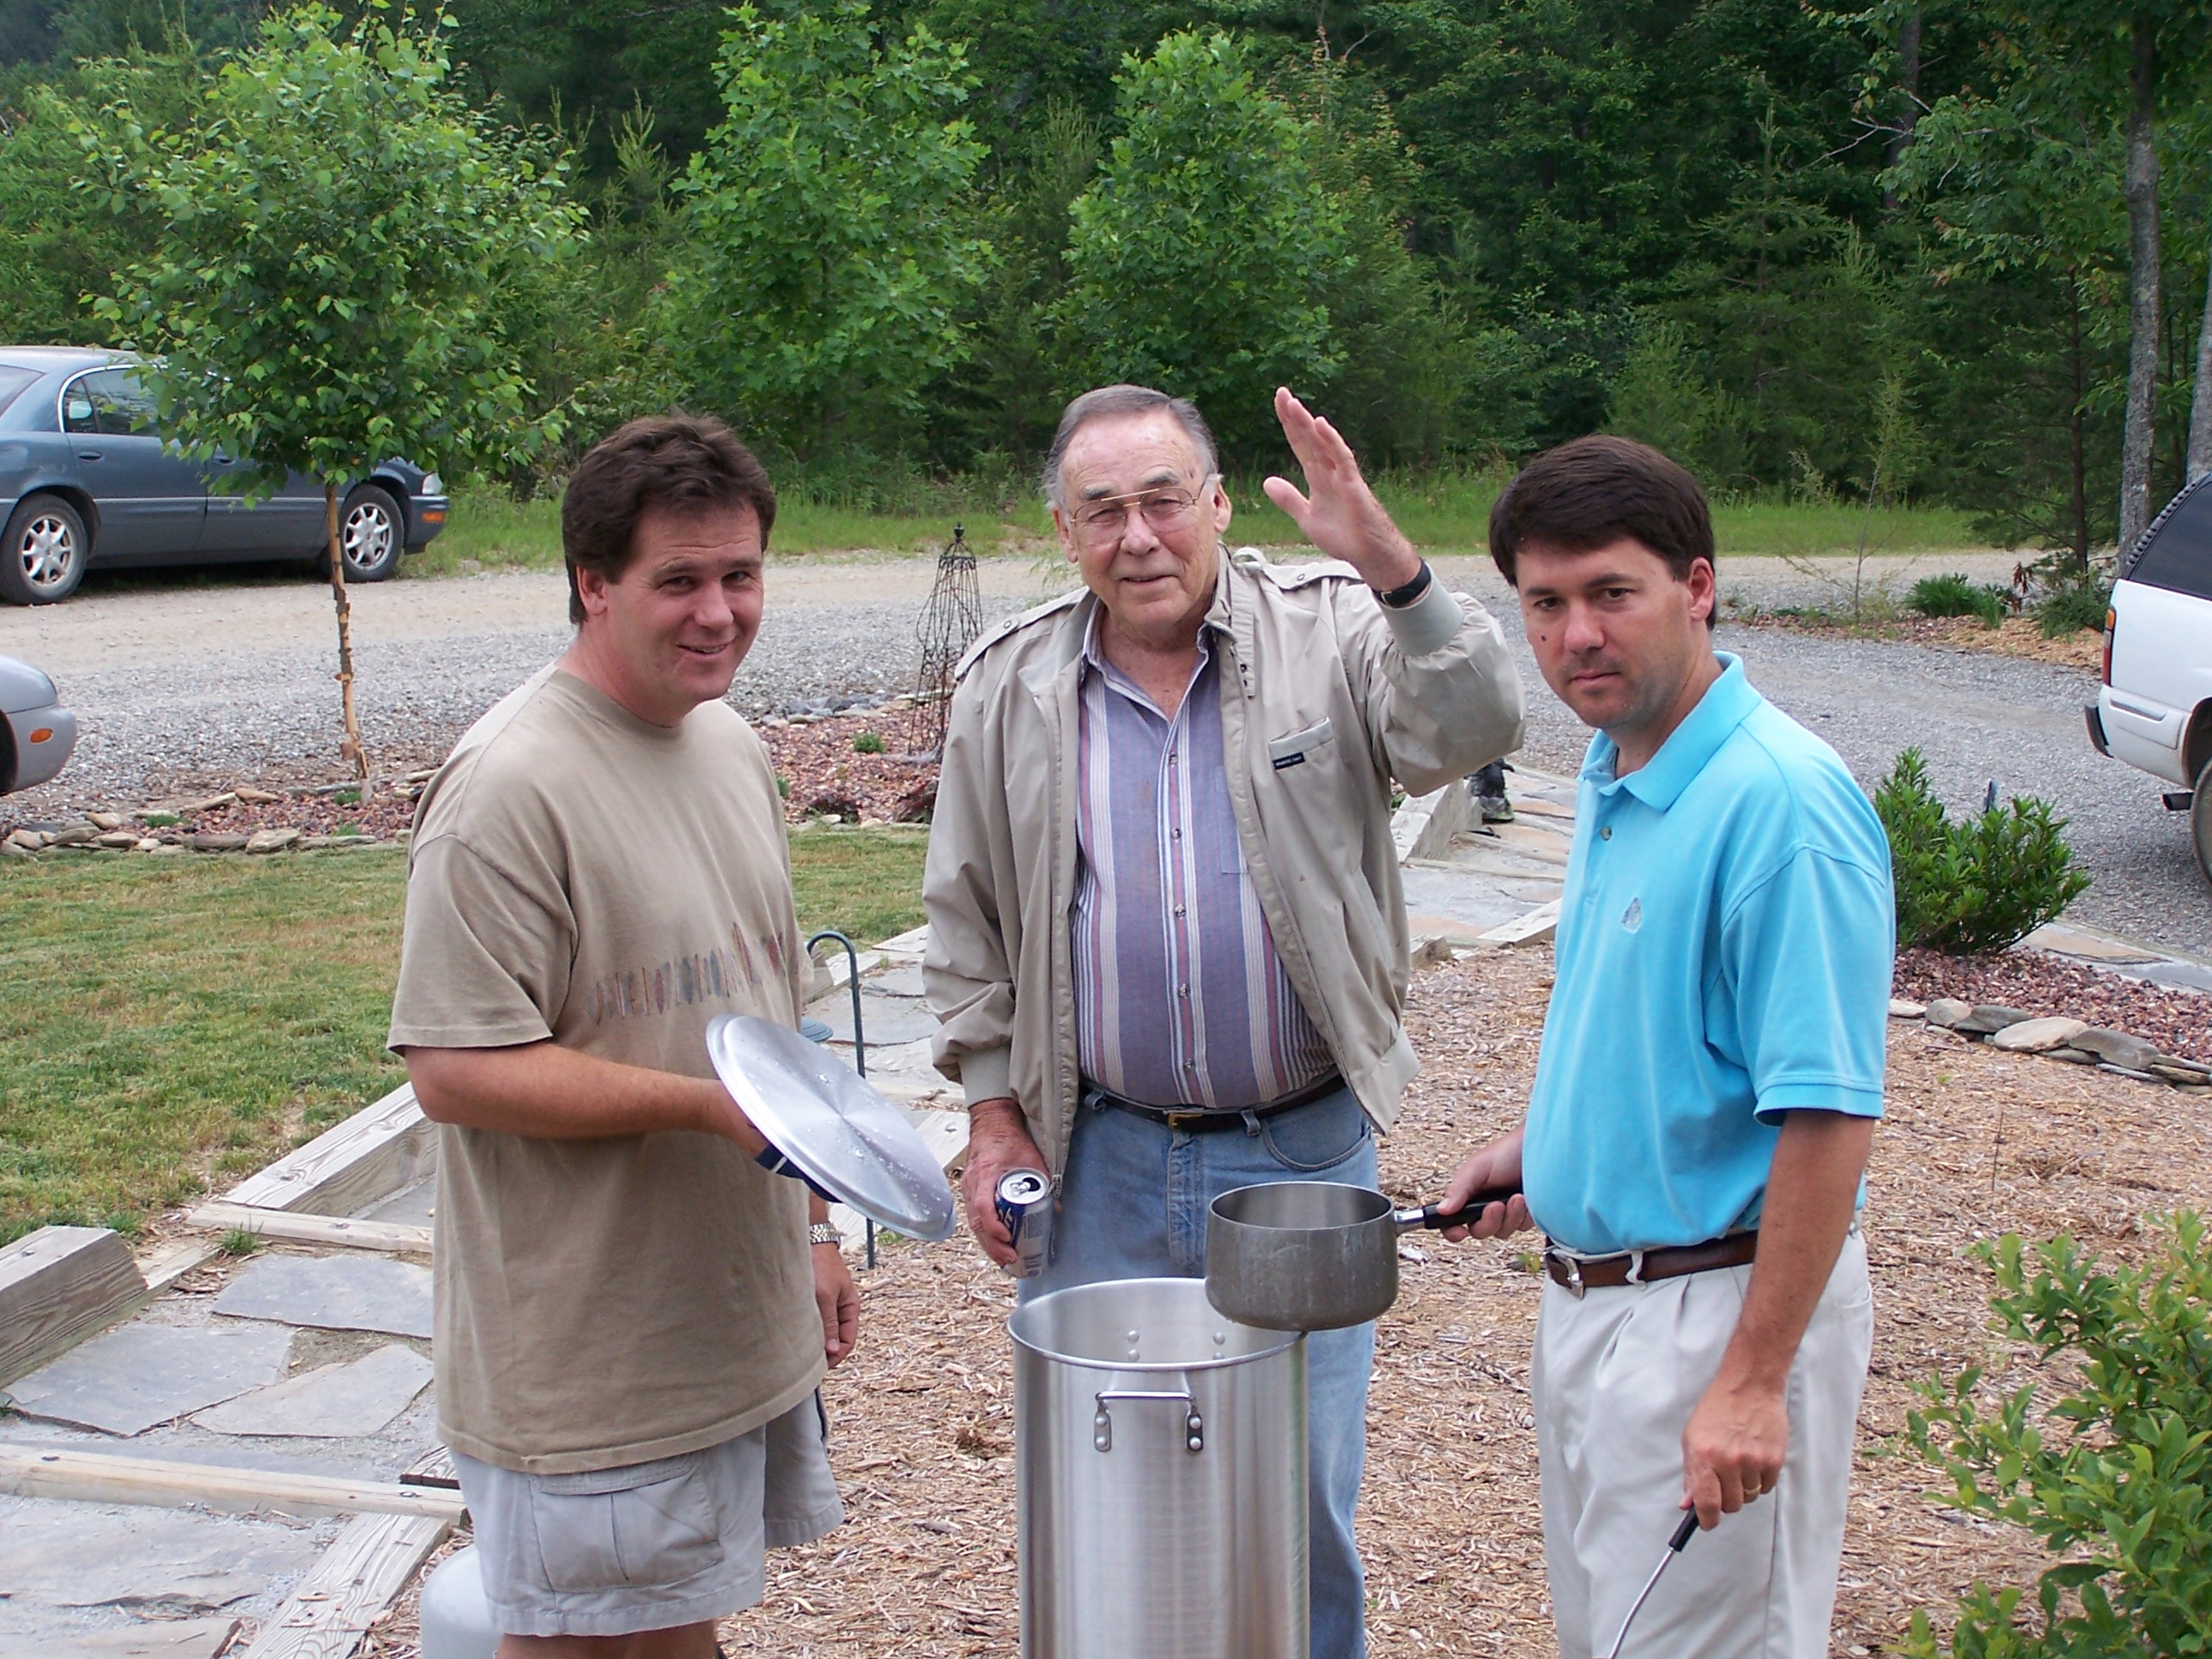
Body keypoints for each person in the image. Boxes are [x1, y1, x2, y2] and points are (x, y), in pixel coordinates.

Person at [924, 382, 1524, 1659]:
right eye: (1103, 512)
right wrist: (992, 1119)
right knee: (1107, 1505)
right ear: (1061, 528)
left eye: (1161, 501)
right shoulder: (1010, 684)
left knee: (1296, 1506)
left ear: (1213, 503)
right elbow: (966, 922)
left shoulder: (1335, 636)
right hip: (1103, 1162)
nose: (1137, 537)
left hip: (1299, 1159)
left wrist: (1394, 566)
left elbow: (1478, 725)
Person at [388, 415, 857, 1659]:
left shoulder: (727, 743)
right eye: (680, 582)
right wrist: (703, 1108)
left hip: (721, 1321)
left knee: (675, 1634)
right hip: (589, 1358)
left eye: (741, 575)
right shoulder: (508, 788)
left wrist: (811, 1224)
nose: (719, 613)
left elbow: (766, 1018)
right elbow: (454, 1070)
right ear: (593, 583)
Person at [1438, 434, 1891, 1659]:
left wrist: (1752, 1381)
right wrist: (1546, 1153)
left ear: (1696, 587)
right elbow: (1665, 1039)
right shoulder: (1618, 765)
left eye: (1610, 594)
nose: (1576, 634)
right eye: (1545, 602)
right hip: (1600, 1305)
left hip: (1717, 1316)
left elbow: (1828, 1114)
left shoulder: (1782, 805)